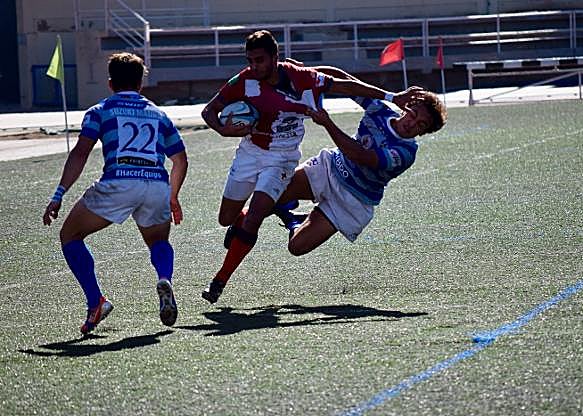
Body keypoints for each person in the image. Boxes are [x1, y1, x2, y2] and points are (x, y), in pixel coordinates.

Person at [200, 30, 421, 304]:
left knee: (263, 221)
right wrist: (223, 129)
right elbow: (209, 111)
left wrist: (389, 96)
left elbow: (346, 92)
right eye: (250, 60)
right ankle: (266, 218)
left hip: (287, 161)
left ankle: (219, 280)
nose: (254, 66)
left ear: (275, 57)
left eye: (260, 60)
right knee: (227, 218)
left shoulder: (302, 79)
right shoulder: (244, 80)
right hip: (254, 153)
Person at [42, 52, 188, 334]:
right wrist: (172, 196)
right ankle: (164, 278)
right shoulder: (159, 114)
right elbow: (180, 160)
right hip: (156, 184)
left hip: (119, 182)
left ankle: (96, 302)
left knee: (70, 236)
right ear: (141, 84)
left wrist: (59, 194)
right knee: (158, 241)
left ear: (110, 83)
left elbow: (81, 153)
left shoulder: (100, 111)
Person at [274, 66, 447, 255]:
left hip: (353, 200)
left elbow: (359, 155)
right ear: (406, 109)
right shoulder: (378, 110)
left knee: (296, 247)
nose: (412, 124)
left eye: (421, 124)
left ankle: (295, 221)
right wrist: (302, 72)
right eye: (413, 115)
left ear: (423, 132)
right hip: (330, 168)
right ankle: (269, 212)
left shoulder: (405, 153)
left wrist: (327, 123)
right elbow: (341, 77)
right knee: (270, 195)